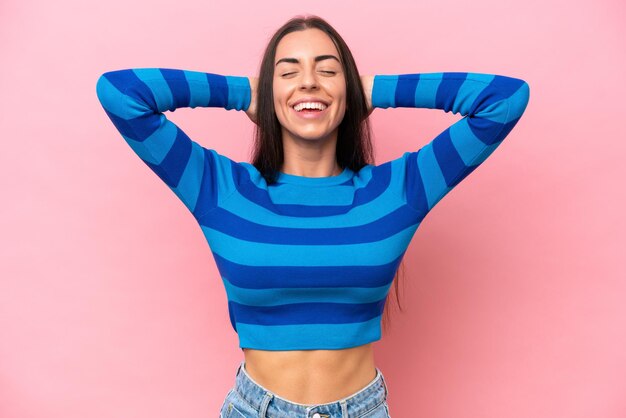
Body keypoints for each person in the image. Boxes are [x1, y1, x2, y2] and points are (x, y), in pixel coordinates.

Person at [96, 14, 530, 418]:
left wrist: (374, 90)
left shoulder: (398, 191)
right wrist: (243, 92)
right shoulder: (219, 189)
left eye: (327, 70)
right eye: (288, 73)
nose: (308, 83)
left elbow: (504, 99)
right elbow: (121, 93)